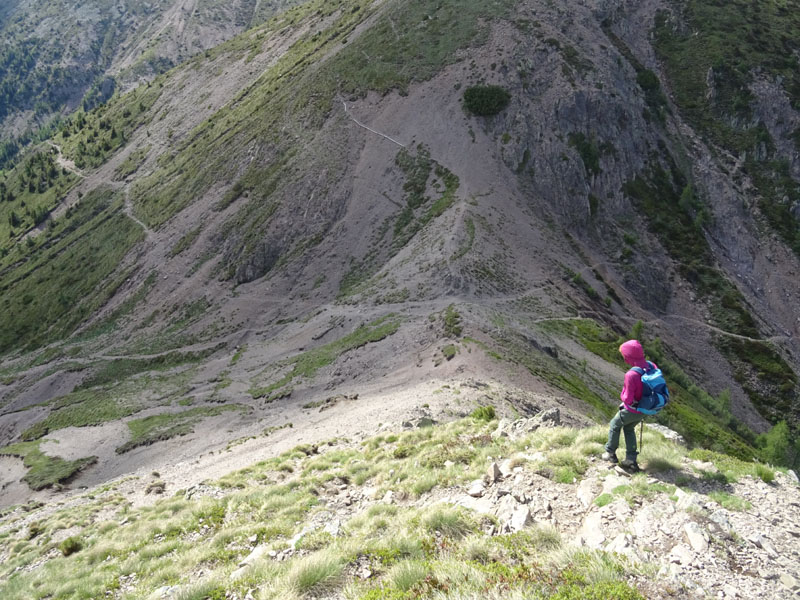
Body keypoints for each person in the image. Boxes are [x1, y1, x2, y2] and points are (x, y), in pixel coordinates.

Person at [602, 339, 650, 470]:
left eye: (624, 355)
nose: (623, 358)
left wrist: (621, 395)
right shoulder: (649, 367)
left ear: (629, 357)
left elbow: (628, 399)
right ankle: (630, 459)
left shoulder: (631, 375)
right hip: (643, 409)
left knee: (614, 424)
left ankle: (610, 453)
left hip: (631, 409)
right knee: (628, 429)